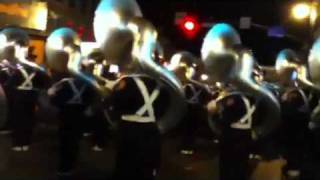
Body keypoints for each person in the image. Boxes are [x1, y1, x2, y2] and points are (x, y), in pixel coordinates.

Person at [46, 28, 99, 177]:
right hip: (80, 114)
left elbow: (56, 101)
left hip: (66, 114)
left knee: (65, 141)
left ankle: (64, 168)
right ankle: (71, 165)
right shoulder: (87, 81)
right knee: (75, 141)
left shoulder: (63, 81)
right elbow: (91, 97)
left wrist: (51, 94)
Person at [0, 28, 49, 151]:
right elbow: (44, 82)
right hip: (31, 97)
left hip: (19, 97)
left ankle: (18, 144)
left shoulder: (18, 70)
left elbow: (8, 85)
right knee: (29, 120)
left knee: (18, 120)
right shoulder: (35, 69)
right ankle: (26, 143)